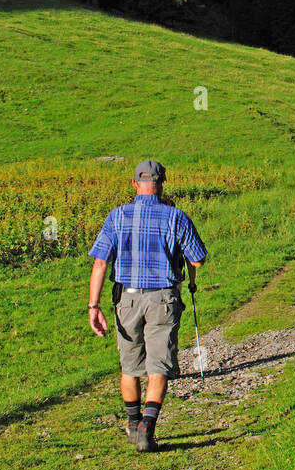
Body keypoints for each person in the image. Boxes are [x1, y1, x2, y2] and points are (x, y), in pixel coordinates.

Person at [86, 160, 208, 452]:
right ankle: (147, 430)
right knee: (159, 367)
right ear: (163, 183)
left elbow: (101, 261)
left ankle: (132, 422)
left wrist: (93, 306)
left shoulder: (116, 217)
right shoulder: (176, 217)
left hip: (125, 298)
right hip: (163, 298)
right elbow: (198, 259)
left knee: (129, 367)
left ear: (134, 185)